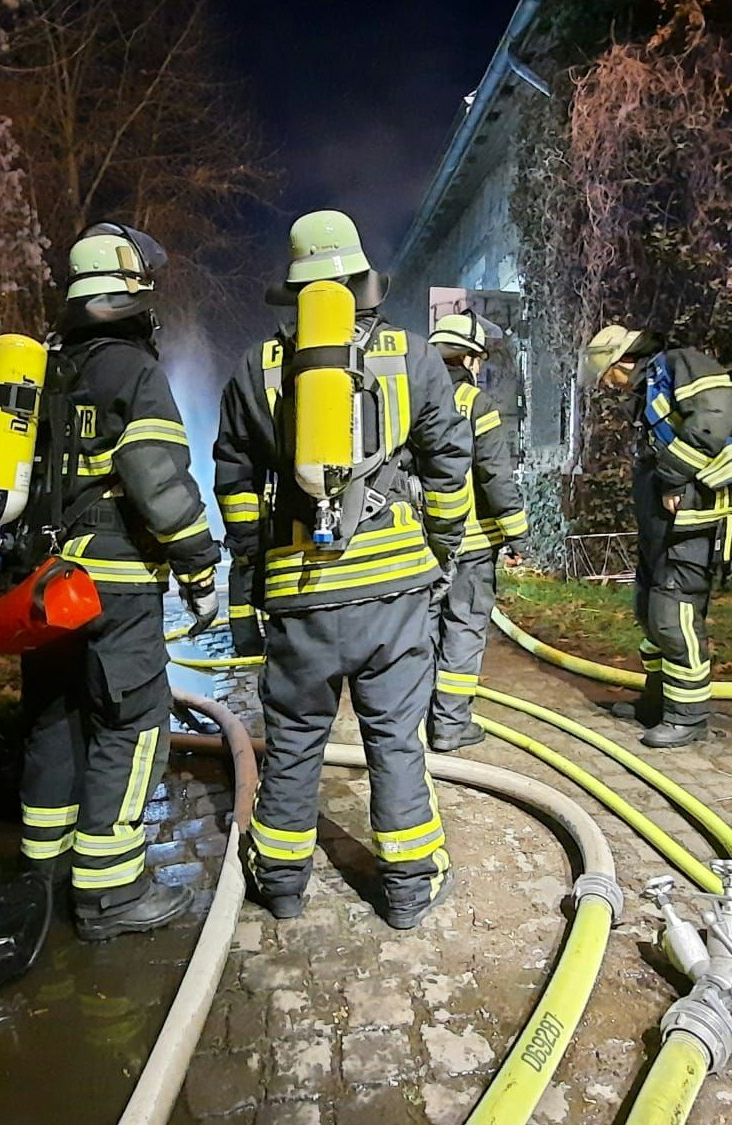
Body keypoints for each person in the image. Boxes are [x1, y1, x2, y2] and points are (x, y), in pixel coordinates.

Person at [213, 209, 473, 929]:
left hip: (300, 591)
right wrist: (442, 541)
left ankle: (285, 883)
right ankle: (408, 888)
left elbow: (233, 476)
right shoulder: (411, 356)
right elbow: (450, 460)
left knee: (295, 739)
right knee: (395, 737)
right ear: (362, 282)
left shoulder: (257, 367)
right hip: (394, 590)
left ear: (296, 289)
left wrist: (251, 556)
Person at [16, 223, 220, 941]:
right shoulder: (129, 370)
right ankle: (110, 894)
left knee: (53, 720)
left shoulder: (44, 369)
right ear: (128, 291)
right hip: (113, 589)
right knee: (129, 728)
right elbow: (157, 481)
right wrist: (199, 563)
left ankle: (41, 879)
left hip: (41, 587)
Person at [580, 325, 732, 749]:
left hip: (698, 521)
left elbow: (712, 419)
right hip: (665, 528)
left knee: (676, 616)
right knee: (649, 612)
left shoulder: (682, 364)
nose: (610, 387)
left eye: (608, 377)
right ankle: (657, 702)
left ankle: (687, 717)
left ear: (620, 362)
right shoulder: (652, 387)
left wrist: (671, 479)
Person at [424, 313, 527, 752]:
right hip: (469, 543)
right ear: (468, 358)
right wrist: (517, 533)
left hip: (415, 543)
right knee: (464, 628)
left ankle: (410, 719)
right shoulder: (474, 403)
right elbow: (494, 475)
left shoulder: (407, 398)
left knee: (420, 630)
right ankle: (449, 725)